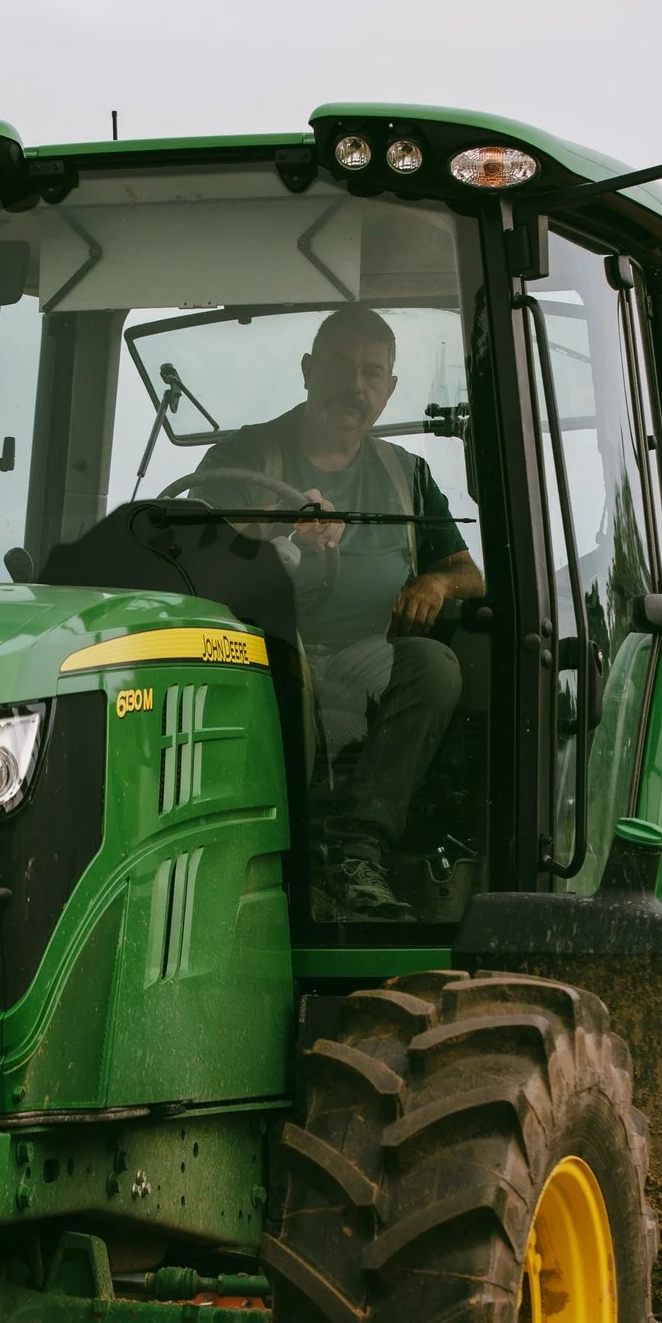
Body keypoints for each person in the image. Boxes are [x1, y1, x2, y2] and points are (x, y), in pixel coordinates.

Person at [205, 305, 483, 920]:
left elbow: (471, 574)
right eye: (338, 366)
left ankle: (358, 850)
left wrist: (436, 582)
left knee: (435, 666)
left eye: (371, 373)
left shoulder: (407, 475)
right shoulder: (244, 458)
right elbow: (196, 561)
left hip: (368, 659)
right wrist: (281, 537)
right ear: (308, 370)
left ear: (387, 390)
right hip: (259, 655)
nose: (353, 386)